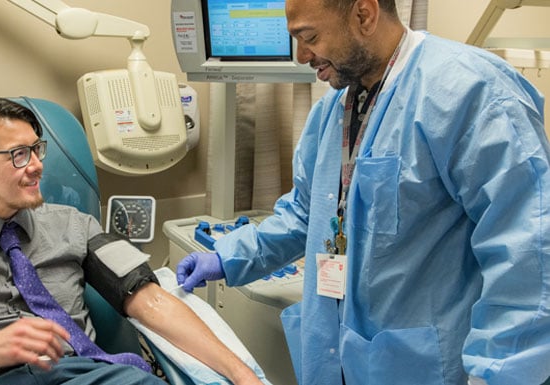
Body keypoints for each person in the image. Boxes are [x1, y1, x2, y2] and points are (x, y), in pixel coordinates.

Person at [175, 1, 550, 385]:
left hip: (425, 369)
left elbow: (528, 254)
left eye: (310, 37)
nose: (303, 55)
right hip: (340, 360)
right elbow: (306, 213)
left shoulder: (470, 92)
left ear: (364, 15)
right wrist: (228, 256)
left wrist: (499, 374)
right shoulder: (336, 108)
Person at [0, 97, 265, 385]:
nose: (38, 165)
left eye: (36, 149)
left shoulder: (76, 226)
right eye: (18, 155)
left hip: (89, 375)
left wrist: (241, 375)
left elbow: (151, 300)